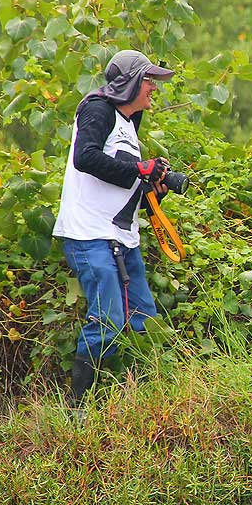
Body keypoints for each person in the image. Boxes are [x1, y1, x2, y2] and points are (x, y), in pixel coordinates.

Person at [53, 49, 175, 406]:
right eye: (149, 80)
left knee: (143, 323)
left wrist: (154, 187)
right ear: (132, 83)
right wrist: (141, 170)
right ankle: (78, 411)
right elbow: (86, 158)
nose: (154, 87)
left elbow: (119, 181)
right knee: (107, 322)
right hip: (90, 236)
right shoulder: (98, 108)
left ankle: (138, 404)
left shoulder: (128, 123)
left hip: (122, 238)